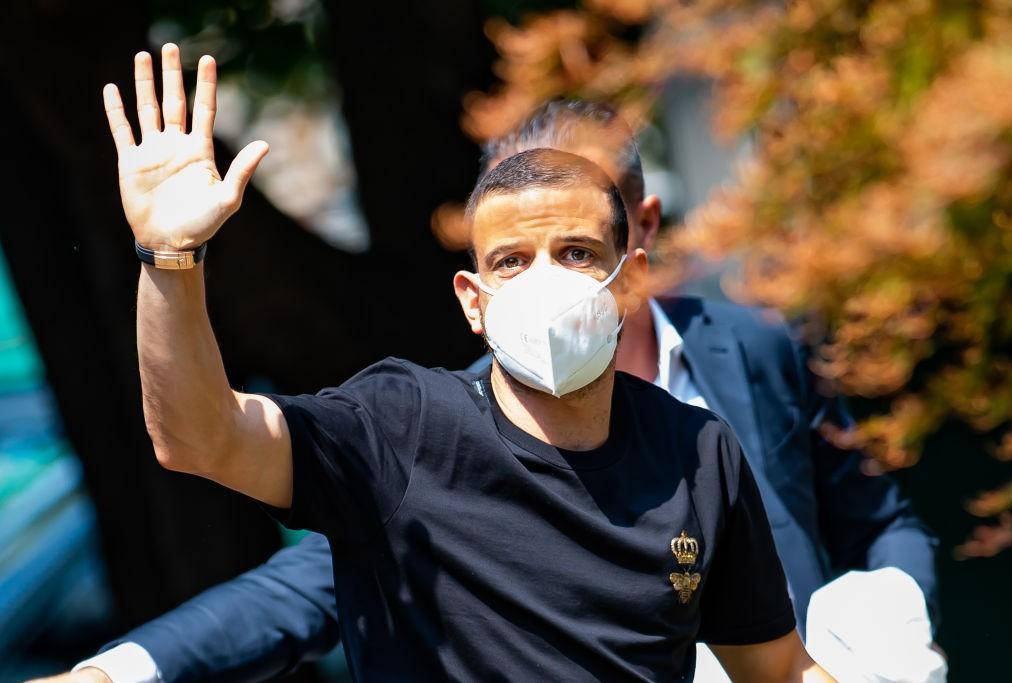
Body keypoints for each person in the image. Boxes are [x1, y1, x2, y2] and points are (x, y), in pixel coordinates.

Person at [49, 54, 933, 683]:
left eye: (579, 250)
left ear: (634, 261)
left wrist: (891, 637)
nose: (547, 277)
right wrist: (168, 260)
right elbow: (201, 436)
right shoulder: (404, 426)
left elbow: (774, 660)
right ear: (471, 297)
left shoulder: (702, 445)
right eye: (512, 260)